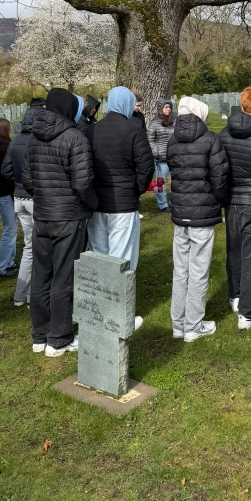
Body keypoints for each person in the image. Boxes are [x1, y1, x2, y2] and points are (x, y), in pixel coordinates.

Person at [22, 88, 97, 356]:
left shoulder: (34, 139)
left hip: (42, 215)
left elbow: (28, 181)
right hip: (67, 216)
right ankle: (59, 338)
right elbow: (82, 182)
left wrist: (45, 196)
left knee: (41, 276)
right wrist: (91, 204)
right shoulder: (75, 137)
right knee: (63, 278)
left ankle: (39, 335)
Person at [87, 87, 153, 328]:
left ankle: (102, 308)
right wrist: (134, 189)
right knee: (122, 258)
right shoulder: (134, 131)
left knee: (101, 255)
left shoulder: (93, 130)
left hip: (98, 204)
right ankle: (120, 313)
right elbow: (146, 168)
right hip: (123, 205)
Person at [166, 97, 228, 342]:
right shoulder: (211, 140)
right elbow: (220, 179)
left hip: (181, 213)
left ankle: (179, 324)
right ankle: (192, 326)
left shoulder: (173, 140)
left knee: (181, 269)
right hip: (201, 214)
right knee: (198, 270)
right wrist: (219, 202)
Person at [219, 85, 251, 329]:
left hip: (233, 201)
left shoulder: (223, 134)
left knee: (235, 251)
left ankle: (236, 296)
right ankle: (247, 313)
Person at [2, 106, 38, 307]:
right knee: (40, 248)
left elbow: (6, 169)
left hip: (18, 199)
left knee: (29, 248)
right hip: (34, 199)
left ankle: (20, 296)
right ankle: (34, 297)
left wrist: (17, 183)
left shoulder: (15, 141)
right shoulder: (37, 142)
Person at [0, 118, 19, 278]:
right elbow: (8, 175)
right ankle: (0, 265)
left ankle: (9, 260)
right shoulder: (5, 148)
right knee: (10, 228)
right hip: (5, 193)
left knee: (11, 227)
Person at [146, 99, 174, 212]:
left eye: (169, 107)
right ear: (160, 109)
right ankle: (163, 205)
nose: (168, 109)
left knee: (176, 182)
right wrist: (155, 152)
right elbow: (150, 140)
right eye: (166, 107)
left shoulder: (173, 122)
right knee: (160, 183)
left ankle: (174, 201)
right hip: (160, 159)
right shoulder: (154, 123)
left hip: (173, 157)